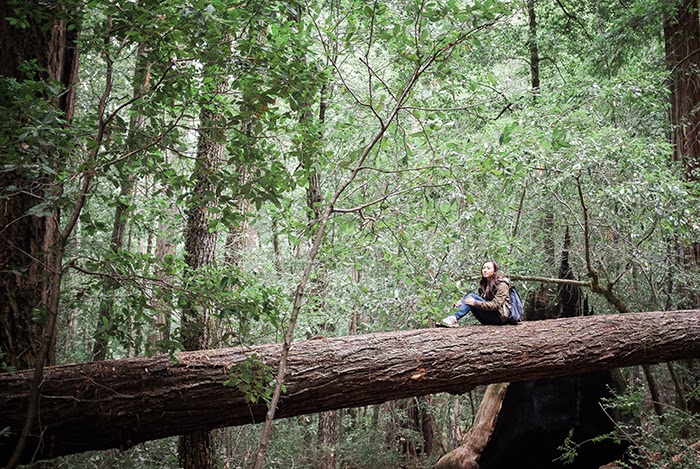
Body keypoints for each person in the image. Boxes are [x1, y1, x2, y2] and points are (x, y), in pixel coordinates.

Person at [438, 260, 512, 327]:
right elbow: (483, 301)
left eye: (488, 268)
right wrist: (463, 302)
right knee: (469, 299)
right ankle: (450, 318)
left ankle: (452, 319)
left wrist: (475, 303)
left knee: (471, 297)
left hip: (499, 318)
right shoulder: (485, 284)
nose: (485, 270)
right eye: (483, 268)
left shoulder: (502, 284)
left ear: (495, 271)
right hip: (489, 317)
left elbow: (495, 305)